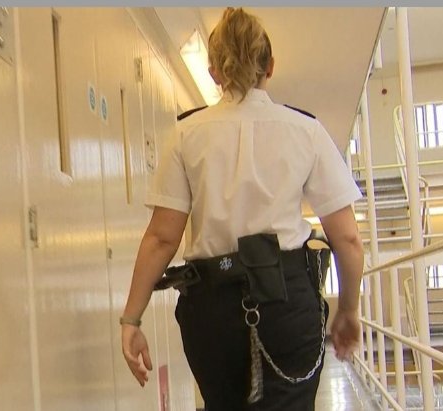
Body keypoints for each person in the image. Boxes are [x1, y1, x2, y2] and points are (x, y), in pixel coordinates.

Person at [121, 7, 364, 410]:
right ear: (271, 66)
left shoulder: (186, 134)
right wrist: (349, 311)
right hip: (289, 302)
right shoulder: (306, 131)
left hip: (212, 308)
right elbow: (349, 240)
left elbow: (162, 237)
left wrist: (131, 318)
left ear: (214, 72)